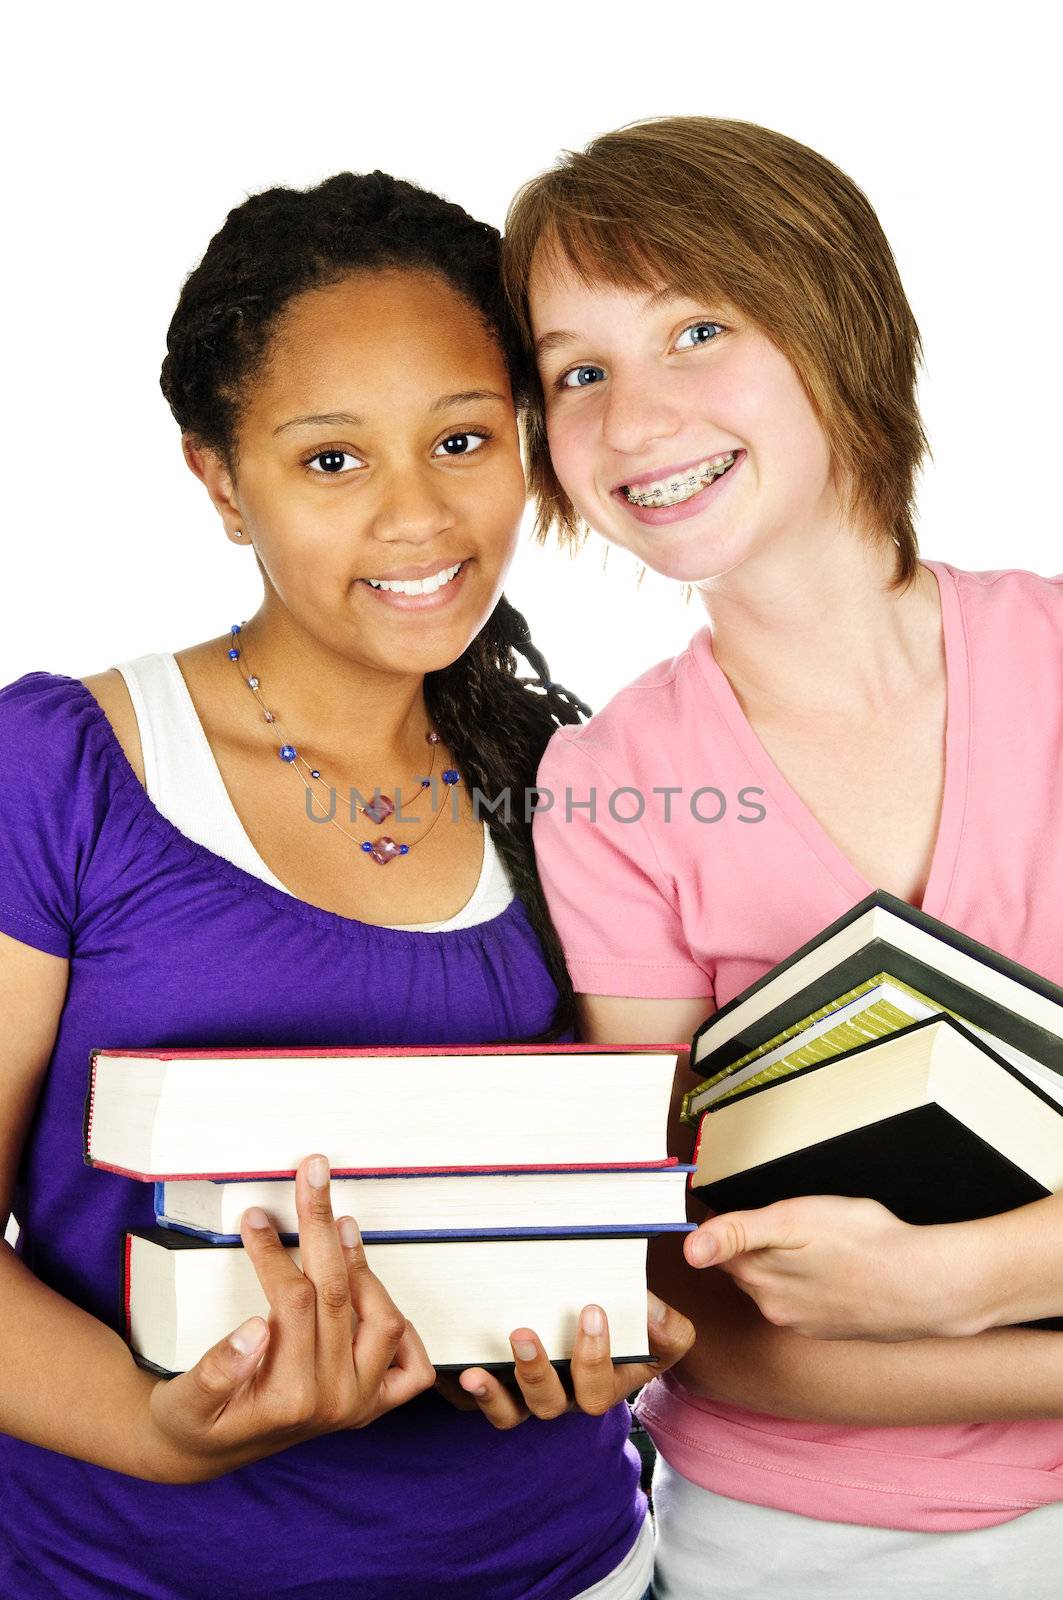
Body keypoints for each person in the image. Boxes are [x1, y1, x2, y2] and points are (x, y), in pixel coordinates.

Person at [0, 170, 694, 1600]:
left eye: (461, 439)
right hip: (134, 1576)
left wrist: (621, 1336)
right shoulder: (59, 766)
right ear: (219, 480)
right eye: (331, 461)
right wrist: (162, 1428)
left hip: (567, 1566)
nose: (416, 517)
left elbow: (630, 1195)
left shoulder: (574, 781)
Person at [500, 117, 1063, 1598]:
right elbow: (686, 1300)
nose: (632, 422)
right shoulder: (612, 787)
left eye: (697, 328)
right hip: (798, 1537)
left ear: (842, 324)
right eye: (577, 371)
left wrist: (963, 1284)